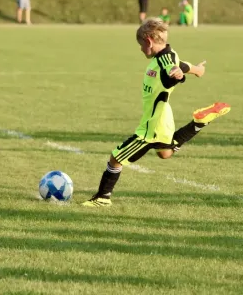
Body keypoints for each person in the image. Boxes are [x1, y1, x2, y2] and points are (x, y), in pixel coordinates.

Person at [83, 18, 231, 207]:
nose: (140, 49)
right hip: (163, 116)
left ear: (149, 42)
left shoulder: (164, 60)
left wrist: (176, 75)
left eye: (141, 45)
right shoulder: (168, 54)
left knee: (116, 158)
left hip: (153, 123)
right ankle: (199, 122)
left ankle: (102, 198)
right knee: (165, 153)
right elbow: (179, 64)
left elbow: (172, 72)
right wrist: (196, 70)